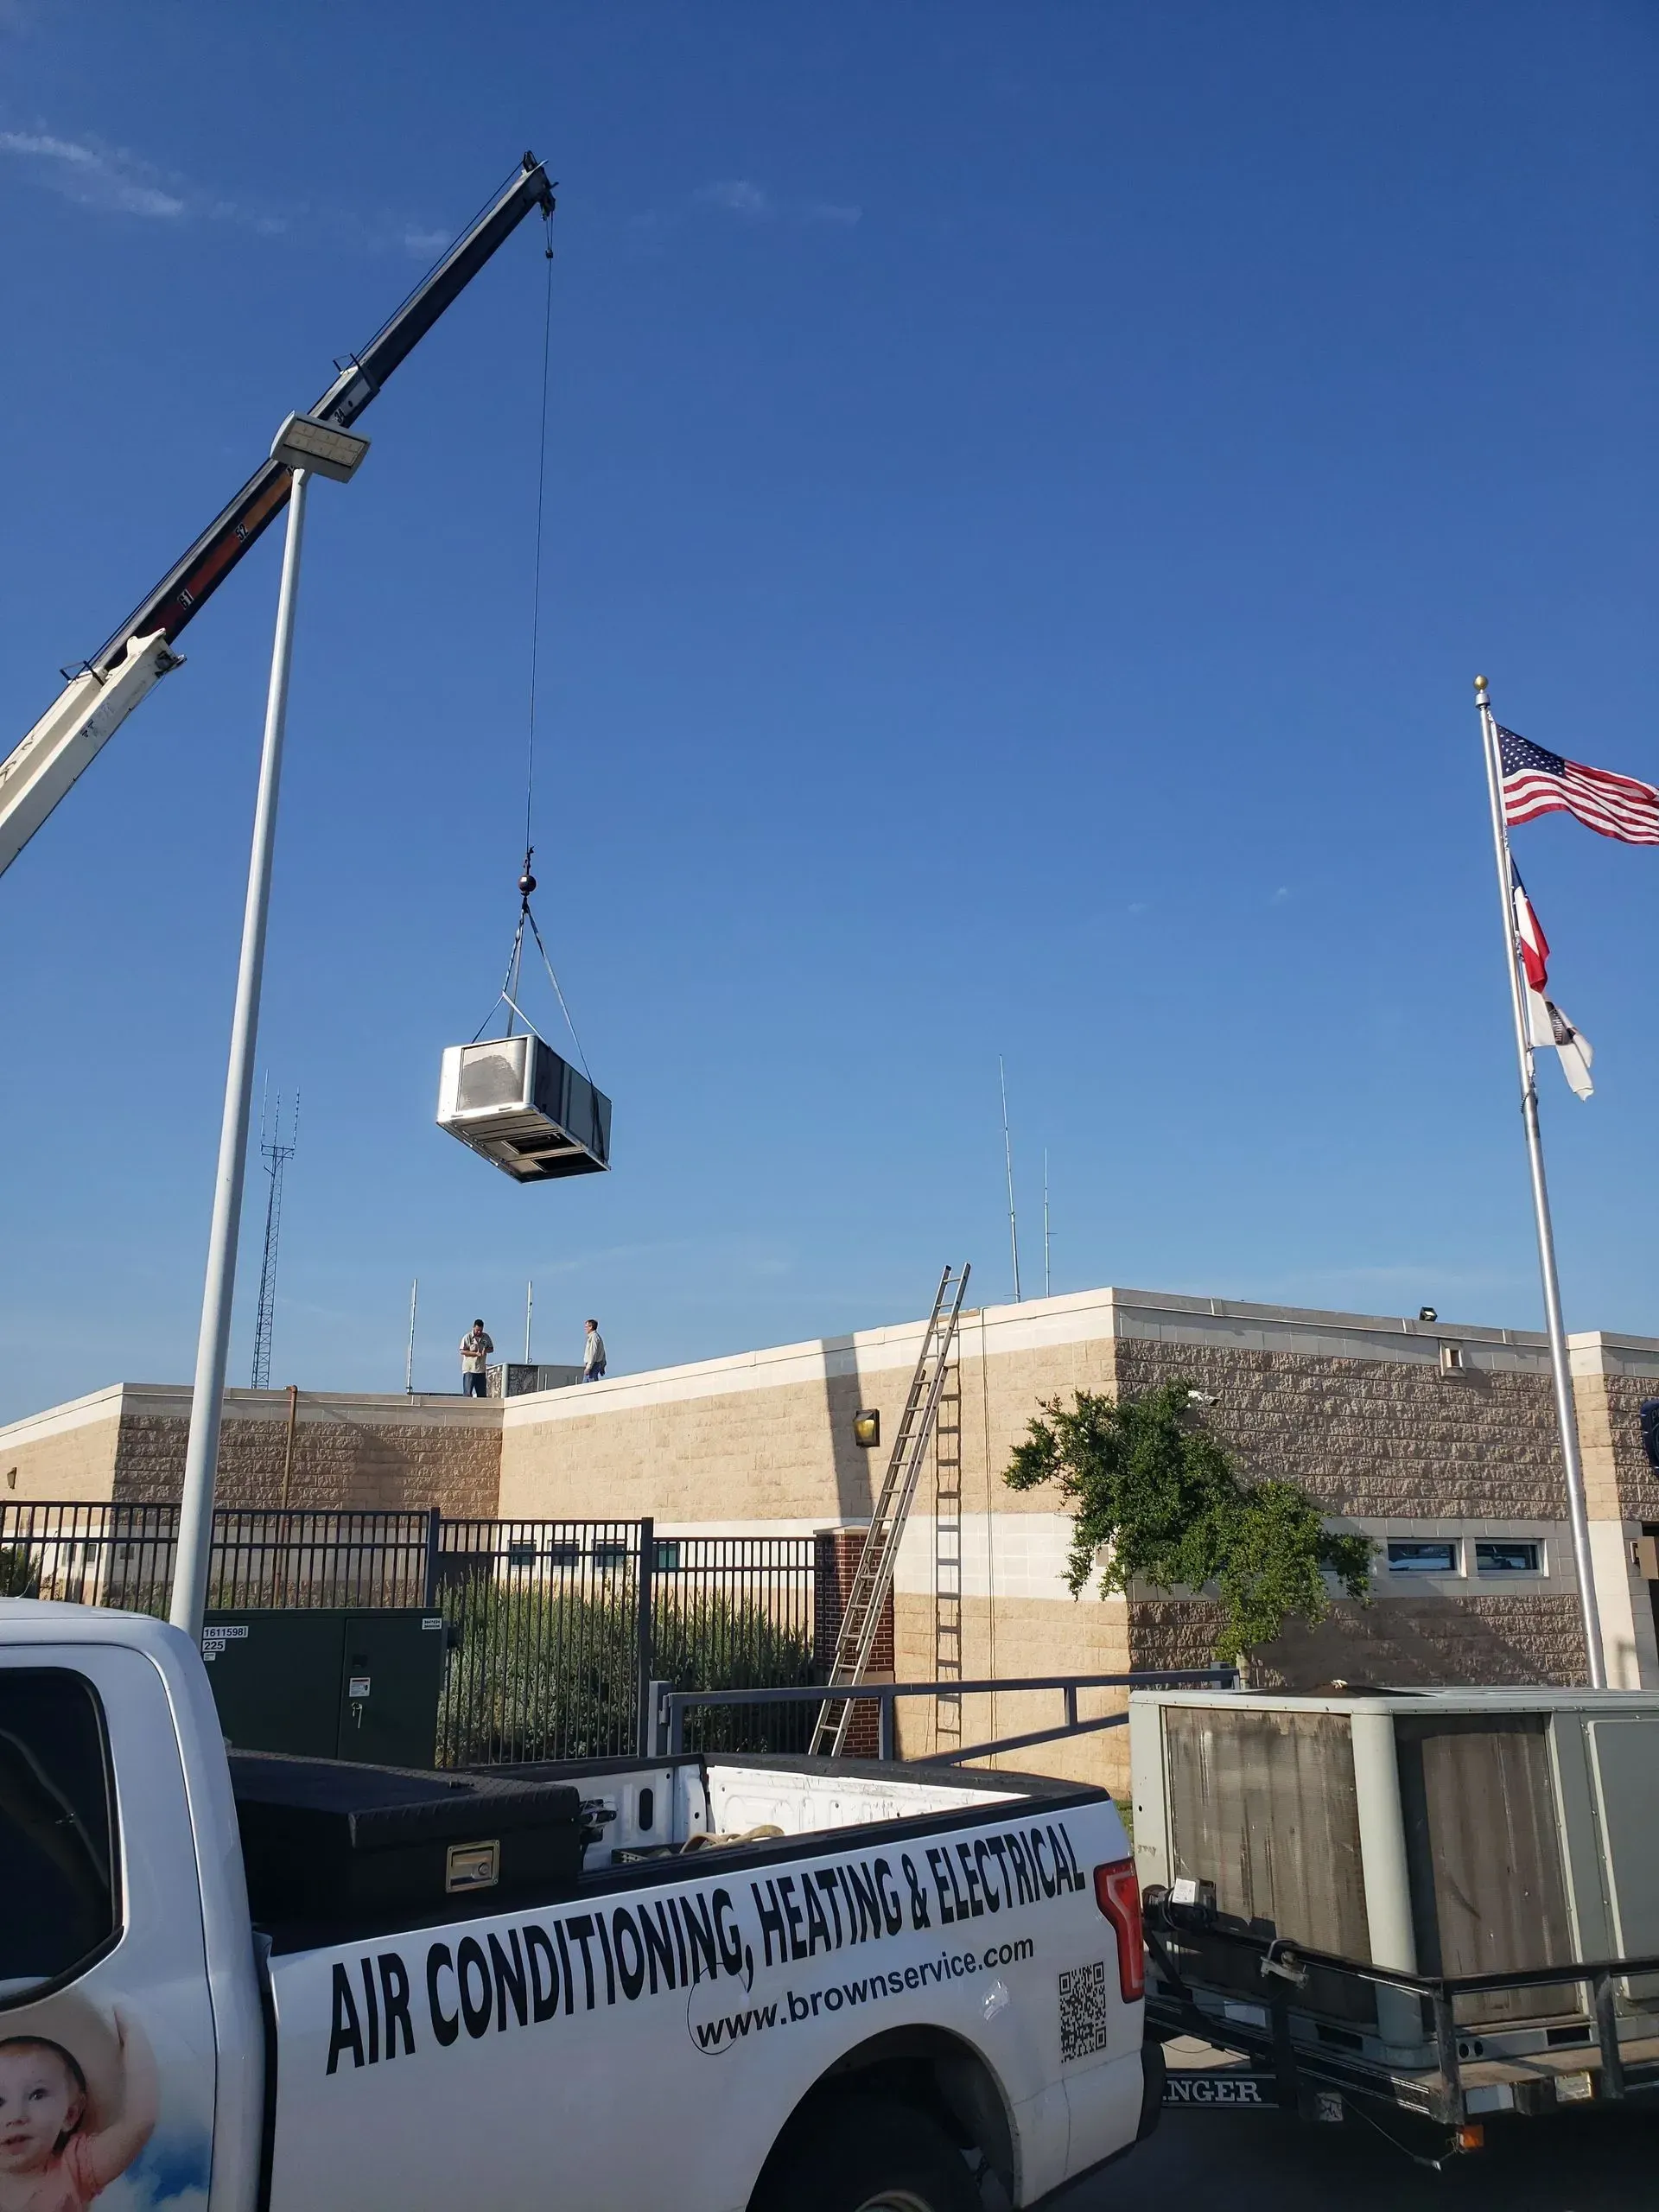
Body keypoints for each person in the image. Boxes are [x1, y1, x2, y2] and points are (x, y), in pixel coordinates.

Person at [0, 2006, 157, 2212]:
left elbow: (139, 2123)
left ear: (70, 2114)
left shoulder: (73, 2169)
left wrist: (132, 2031)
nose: (16, 2116)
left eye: (37, 2094)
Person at [459, 1319, 493, 1399]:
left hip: (481, 1370)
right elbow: (462, 1351)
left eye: (481, 1330)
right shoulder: (467, 1337)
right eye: (477, 1330)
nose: (479, 1332)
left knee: (482, 1395)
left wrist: (485, 1350)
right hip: (469, 1369)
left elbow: (491, 1348)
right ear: (473, 1328)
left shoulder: (486, 1337)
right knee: (467, 1394)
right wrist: (475, 1354)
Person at [582, 1319, 606, 1383]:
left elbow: (593, 1353)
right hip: (594, 1364)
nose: (585, 1329)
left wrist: (589, 1367)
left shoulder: (593, 1337)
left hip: (593, 1365)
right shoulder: (596, 1337)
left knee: (591, 1383)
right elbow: (603, 1353)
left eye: (586, 1327)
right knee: (586, 1384)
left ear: (591, 1327)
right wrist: (603, 1365)